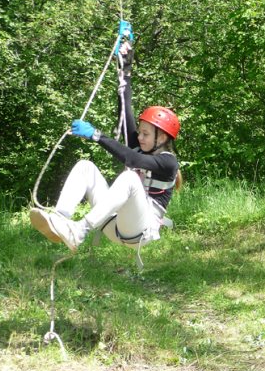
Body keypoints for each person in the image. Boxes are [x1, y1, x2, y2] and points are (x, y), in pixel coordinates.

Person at [30, 41, 180, 255]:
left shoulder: (168, 162)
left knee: (130, 178)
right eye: (140, 131)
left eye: (146, 134)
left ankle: (79, 230)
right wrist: (125, 66)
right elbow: (124, 107)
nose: (140, 136)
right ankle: (60, 220)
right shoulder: (140, 146)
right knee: (85, 167)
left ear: (162, 137)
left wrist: (96, 135)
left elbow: (133, 161)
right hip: (113, 223)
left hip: (140, 230)